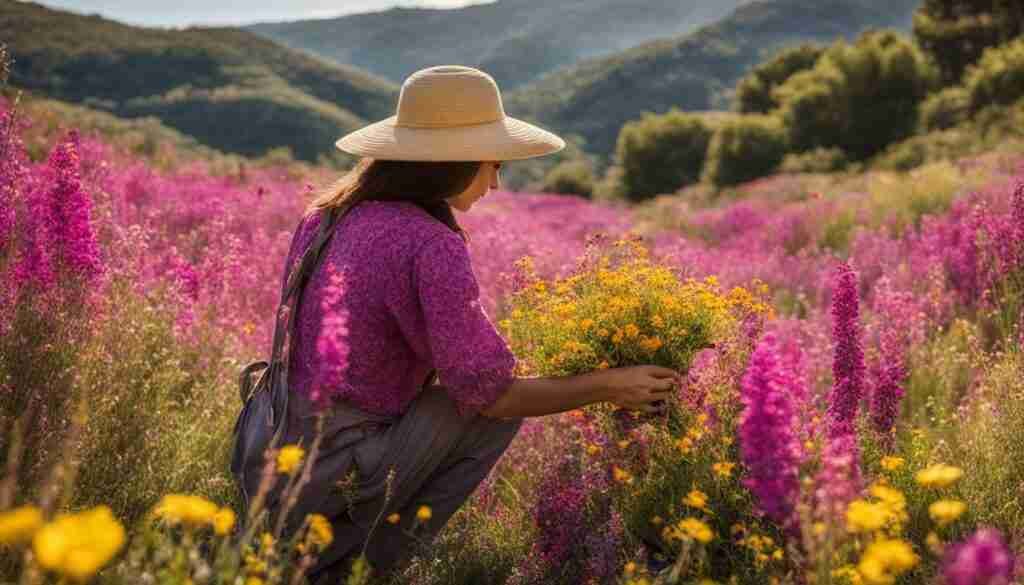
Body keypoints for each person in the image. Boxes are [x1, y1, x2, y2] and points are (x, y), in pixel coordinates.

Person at [268, 65, 680, 583]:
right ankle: (360, 561)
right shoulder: (428, 242)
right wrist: (606, 385)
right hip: (334, 468)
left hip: (274, 449)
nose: (495, 182)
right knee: (486, 412)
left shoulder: (325, 215)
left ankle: (325, 549)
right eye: (492, 165)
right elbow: (493, 393)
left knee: (456, 399)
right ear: (452, 163)